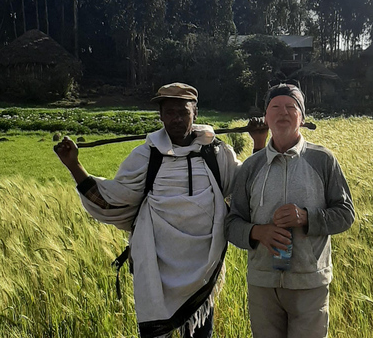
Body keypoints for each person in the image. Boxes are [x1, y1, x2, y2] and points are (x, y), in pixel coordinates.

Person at [54, 82, 267, 338]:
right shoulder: (145, 156)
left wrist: (260, 141)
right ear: (161, 116)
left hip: (203, 268)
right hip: (155, 267)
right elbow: (111, 199)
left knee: (201, 332)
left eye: (183, 112)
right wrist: (73, 166)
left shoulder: (216, 153)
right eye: (169, 113)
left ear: (195, 113)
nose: (176, 119)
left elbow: (247, 188)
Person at [225, 82, 355, 338]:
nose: (283, 112)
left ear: (302, 117)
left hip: (309, 283)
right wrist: (258, 233)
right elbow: (231, 223)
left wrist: (307, 217)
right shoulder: (251, 166)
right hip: (263, 284)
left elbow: (346, 213)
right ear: (266, 117)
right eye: (275, 107)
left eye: (290, 107)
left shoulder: (322, 160)